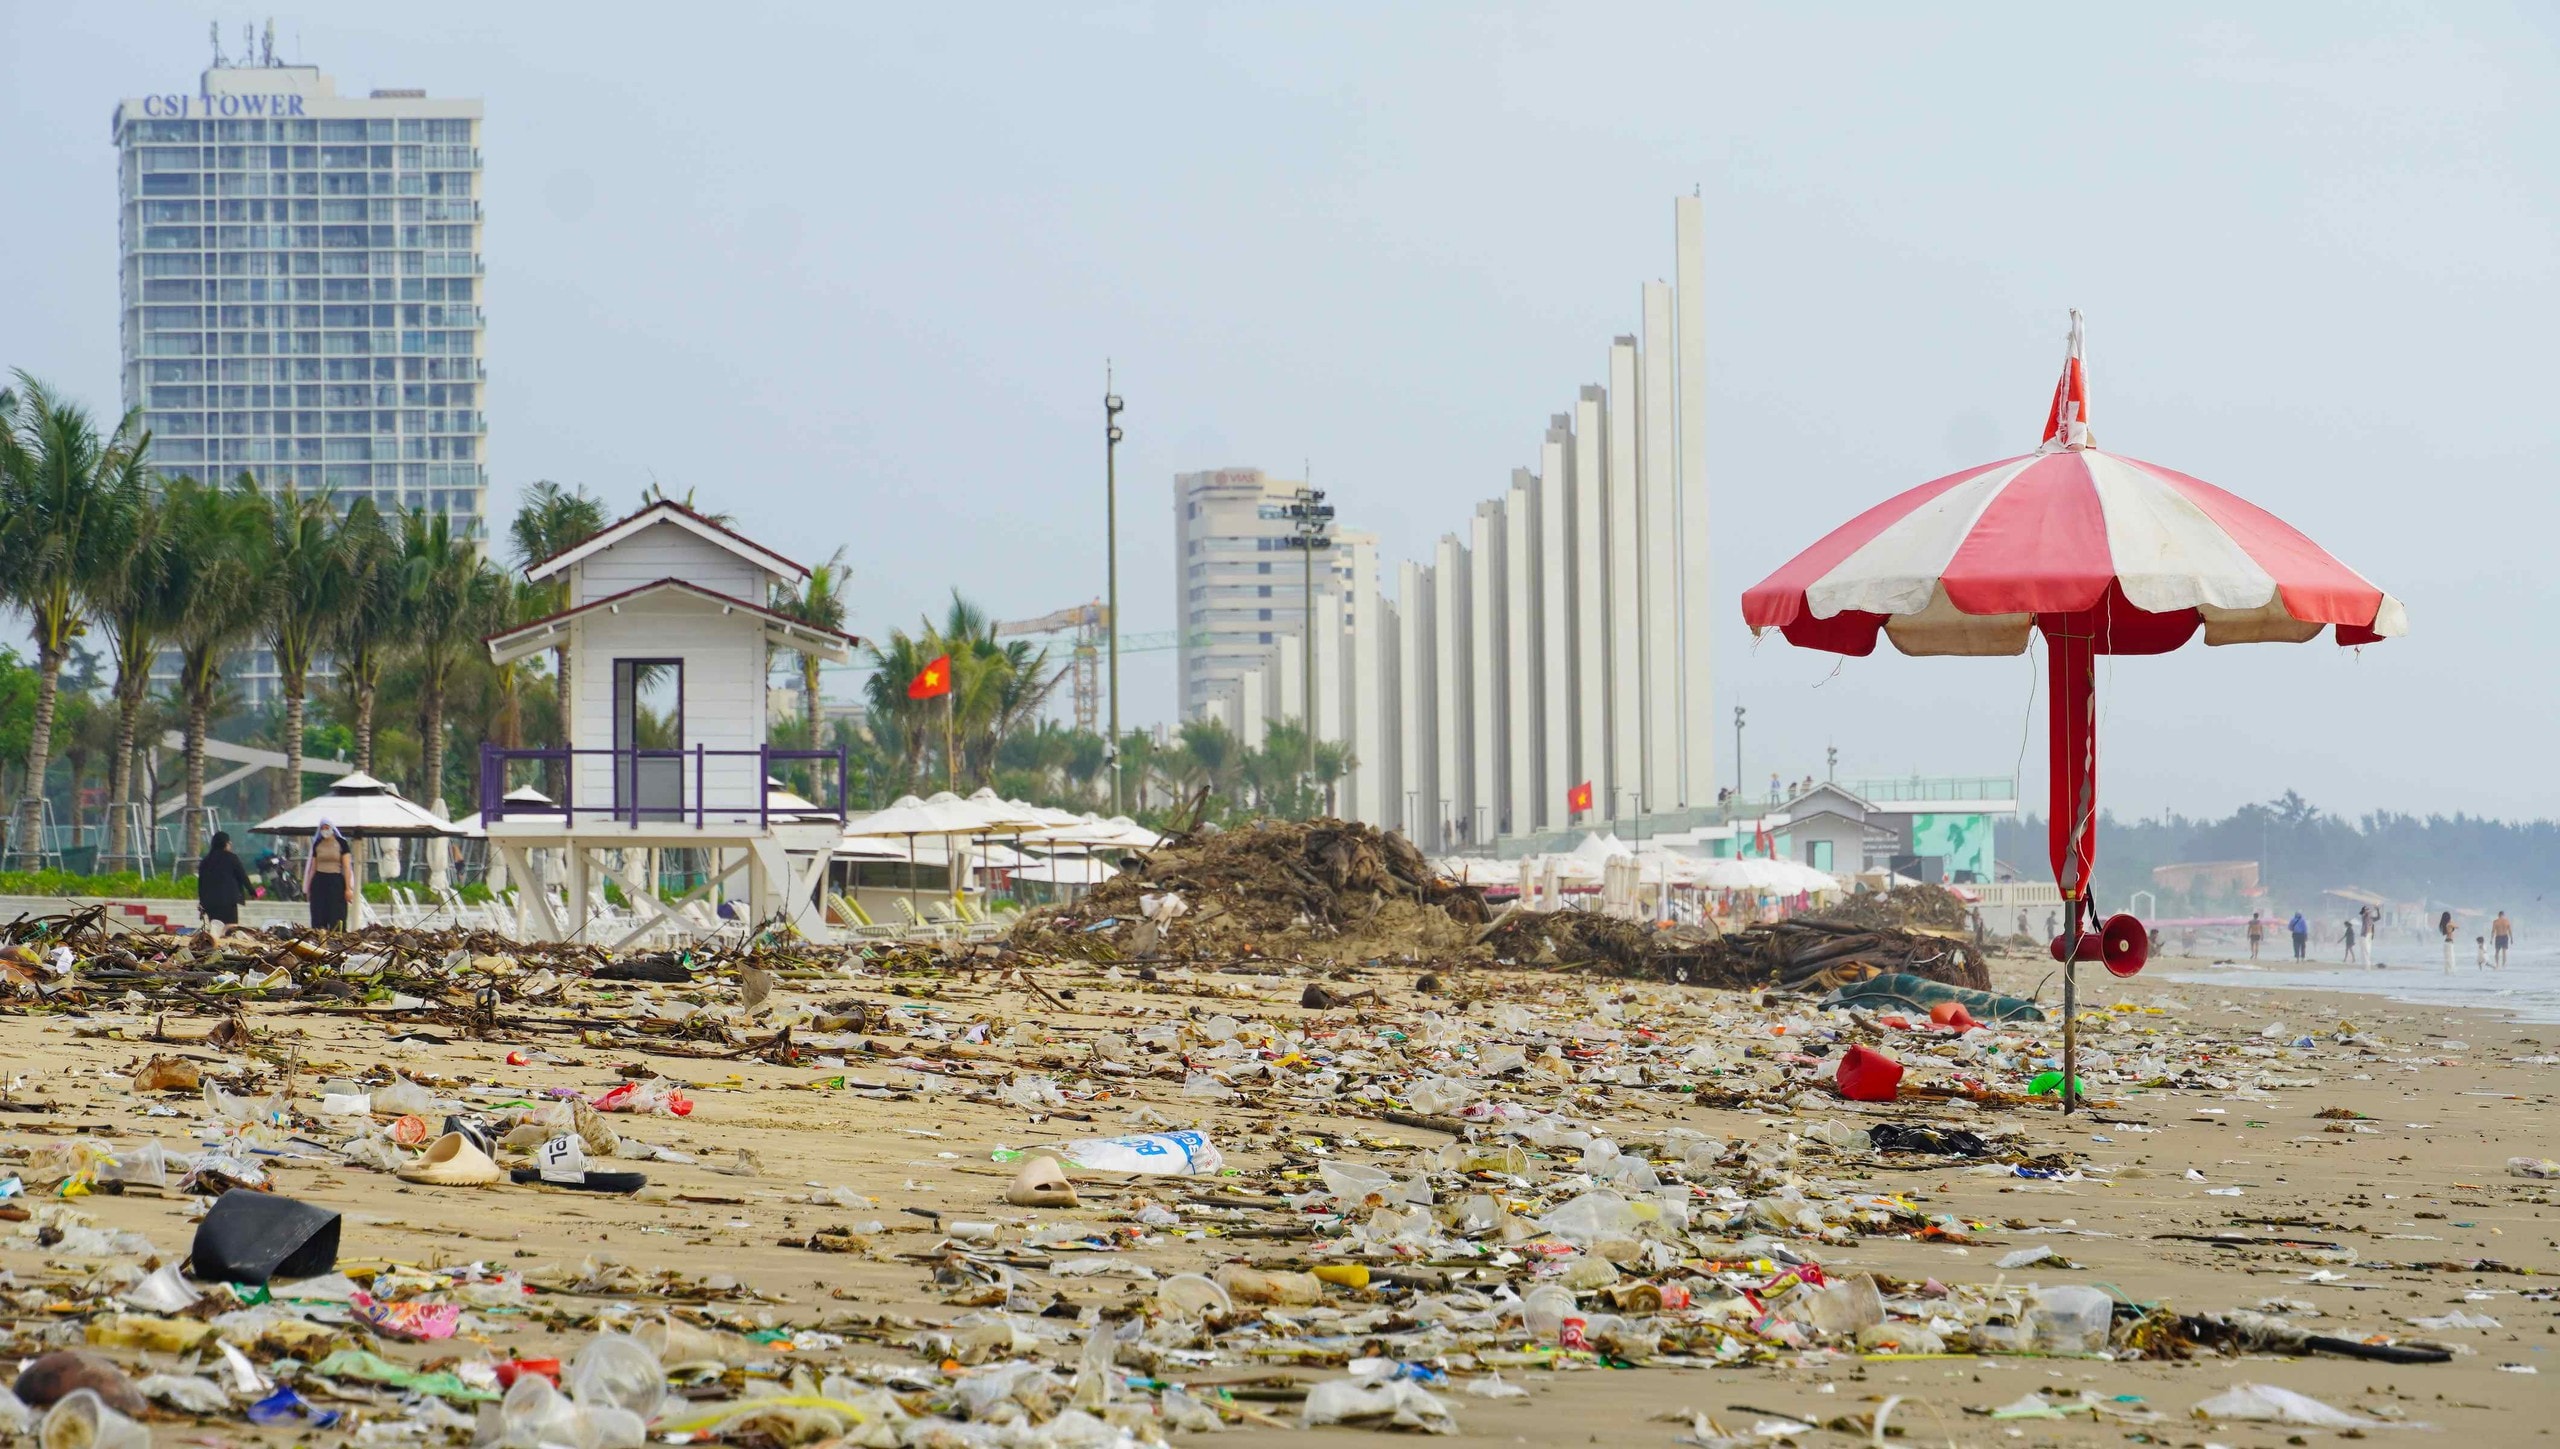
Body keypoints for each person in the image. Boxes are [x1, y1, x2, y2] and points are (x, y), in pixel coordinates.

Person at [194, 830, 254, 935]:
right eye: (229, 842)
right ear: (225, 843)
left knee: (215, 928)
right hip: (228, 901)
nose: (231, 844)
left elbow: (201, 884)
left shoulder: (205, 861)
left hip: (210, 902)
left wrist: (202, 902)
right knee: (231, 928)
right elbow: (242, 876)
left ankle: (216, 942)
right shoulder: (232, 858)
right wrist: (252, 891)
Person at [304, 821, 355, 931]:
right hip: (319, 881)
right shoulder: (317, 844)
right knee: (318, 915)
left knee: (337, 914)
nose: (325, 830)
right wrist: (308, 888)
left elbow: (346, 867)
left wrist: (348, 889)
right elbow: (313, 868)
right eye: (322, 828)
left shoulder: (342, 843)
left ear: (332, 828)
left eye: (327, 827)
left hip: (336, 882)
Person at [2438, 909, 2456, 974]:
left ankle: (2448, 972)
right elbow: (2457, 926)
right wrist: (2451, 921)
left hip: (2448, 942)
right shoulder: (2449, 924)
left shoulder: (2448, 924)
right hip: (2449, 943)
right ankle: (2448, 972)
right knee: (2450, 958)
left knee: (2449, 958)